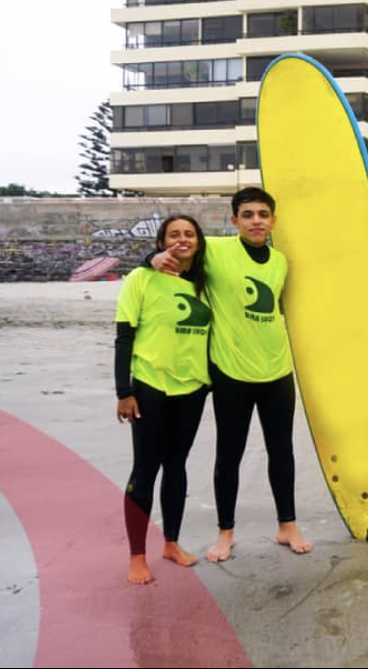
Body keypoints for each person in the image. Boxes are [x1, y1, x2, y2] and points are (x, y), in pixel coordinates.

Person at [151, 188, 312, 561]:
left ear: (274, 221)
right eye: (248, 214)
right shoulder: (217, 251)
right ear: (234, 220)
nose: (256, 220)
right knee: (230, 454)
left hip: (277, 370)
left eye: (263, 214)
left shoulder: (281, 262)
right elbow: (177, 254)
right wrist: (153, 256)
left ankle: (286, 524)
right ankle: (226, 533)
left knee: (281, 451)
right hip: (231, 373)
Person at [116, 215, 211, 584]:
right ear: (161, 242)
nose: (182, 239)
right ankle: (137, 556)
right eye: (174, 234)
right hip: (150, 386)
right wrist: (123, 391)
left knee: (177, 465)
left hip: (193, 387)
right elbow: (124, 337)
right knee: (144, 470)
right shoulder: (141, 278)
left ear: (199, 242)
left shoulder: (206, 283)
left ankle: (171, 543)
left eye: (189, 234)